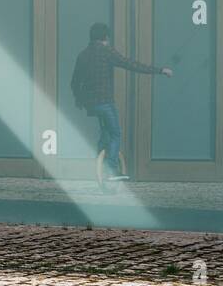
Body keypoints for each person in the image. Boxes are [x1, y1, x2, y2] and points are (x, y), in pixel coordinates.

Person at [70, 22, 171, 192]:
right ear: (106, 38)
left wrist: (79, 100)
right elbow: (131, 64)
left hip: (90, 105)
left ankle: (100, 163)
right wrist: (160, 70)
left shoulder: (83, 55)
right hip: (105, 102)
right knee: (116, 133)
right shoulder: (106, 52)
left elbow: (74, 83)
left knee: (104, 133)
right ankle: (110, 169)